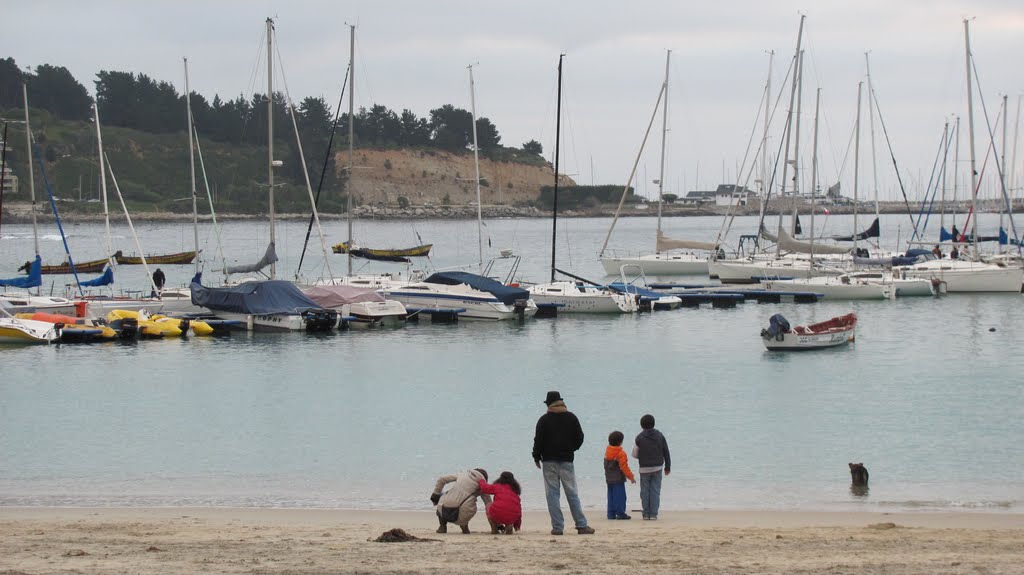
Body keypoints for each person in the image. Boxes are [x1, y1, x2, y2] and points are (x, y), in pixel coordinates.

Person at [532, 391, 595, 535]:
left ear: (548, 404)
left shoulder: (544, 420)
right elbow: (580, 437)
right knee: (572, 493)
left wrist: (536, 457)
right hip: (567, 460)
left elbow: (538, 441)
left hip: (548, 461)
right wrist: (571, 449)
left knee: (552, 495)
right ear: (561, 402)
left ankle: (557, 527)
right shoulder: (571, 418)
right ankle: (581, 525)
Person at [429, 468, 492, 534]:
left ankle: (442, 526)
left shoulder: (462, 475)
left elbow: (441, 479)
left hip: (443, 509)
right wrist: (495, 524)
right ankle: (464, 528)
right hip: (463, 514)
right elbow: (488, 504)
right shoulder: (482, 485)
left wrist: (435, 494)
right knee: (467, 504)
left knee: (442, 497)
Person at [633, 414, 671, 521]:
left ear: (641, 425)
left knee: (645, 491)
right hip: (657, 468)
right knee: (655, 490)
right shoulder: (660, 435)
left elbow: (635, 454)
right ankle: (653, 514)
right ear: (653, 424)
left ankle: (646, 513)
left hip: (644, 468)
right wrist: (668, 466)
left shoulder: (639, 437)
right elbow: (666, 451)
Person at [604, 430, 636, 520]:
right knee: (620, 497)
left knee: (611, 496)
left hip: (609, 478)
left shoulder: (607, 452)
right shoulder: (621, 453)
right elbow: (624, 467)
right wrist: (631, 477)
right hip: (618, 479)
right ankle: (621, 513)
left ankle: (611, 514)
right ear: (620, 442)